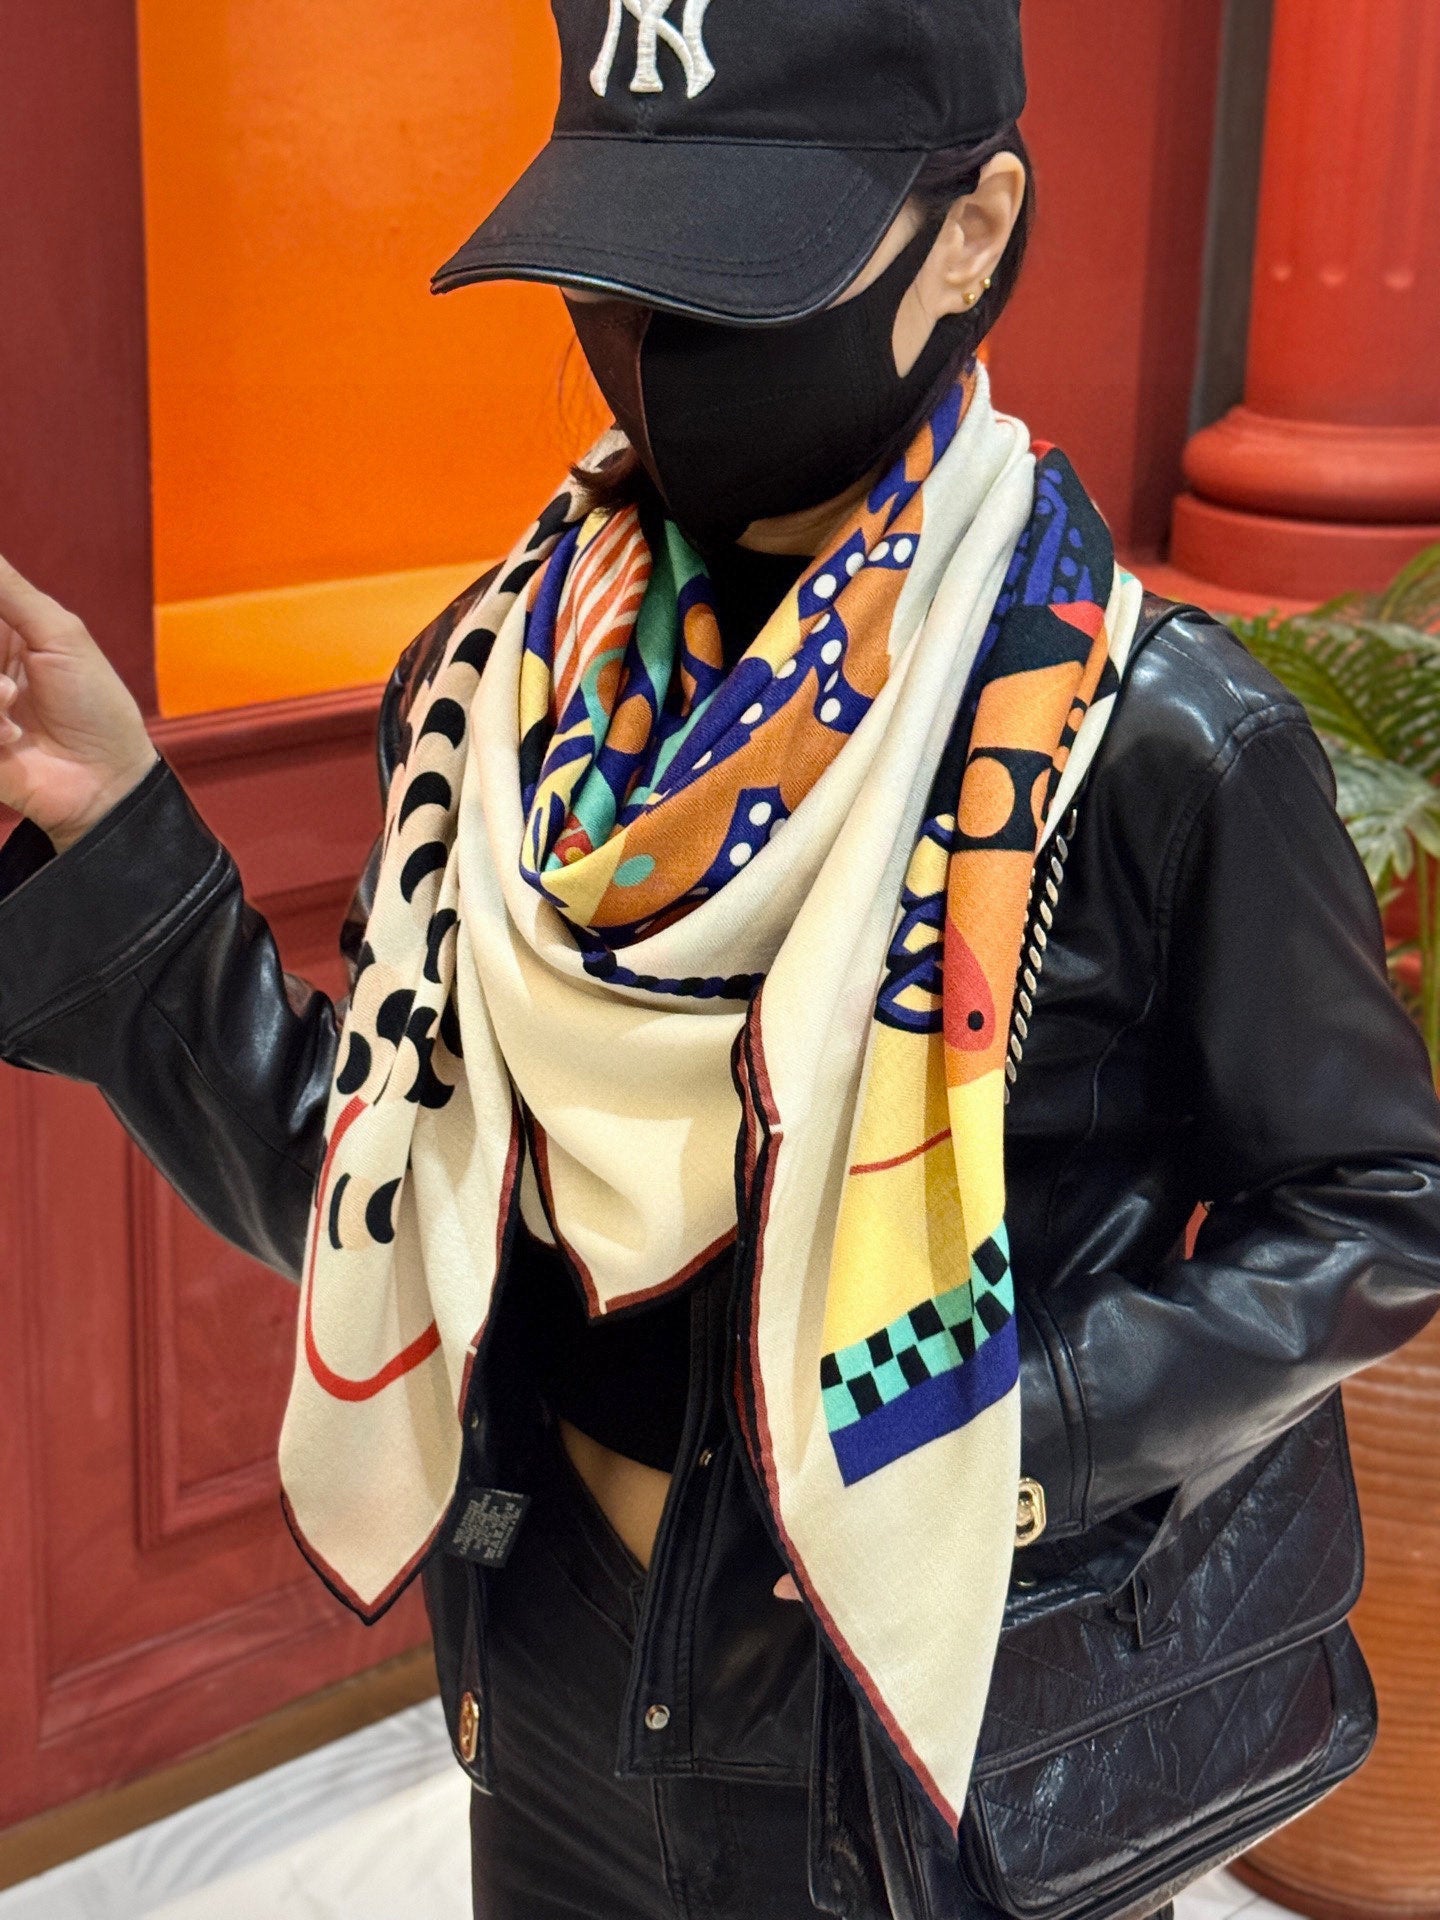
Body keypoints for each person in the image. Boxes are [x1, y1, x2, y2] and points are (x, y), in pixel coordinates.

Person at [2, 3, 1439, 1917]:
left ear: (969, 233)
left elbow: (1374, 1207)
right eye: (616, 265)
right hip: (549, 1671)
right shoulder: (491, 704)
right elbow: (377, 1190)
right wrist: (114, 832)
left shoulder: (1152, 741)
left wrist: (992, 1437)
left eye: (741, 269)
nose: (660, 338)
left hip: (932, 1731)